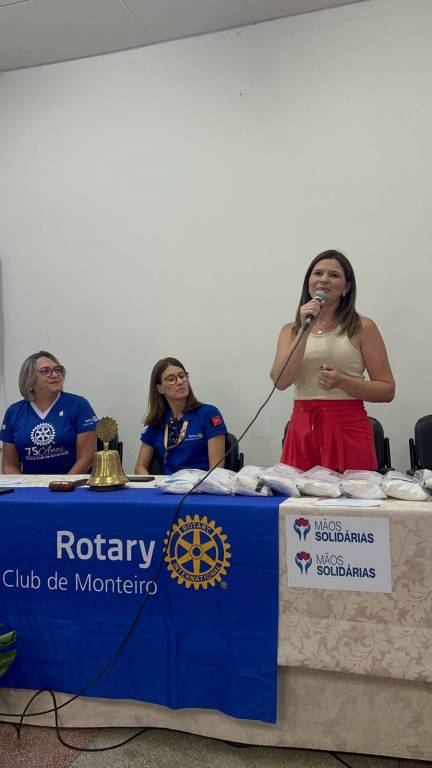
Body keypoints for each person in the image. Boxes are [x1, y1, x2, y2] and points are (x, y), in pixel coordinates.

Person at [270, 250, 395, 472]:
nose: (324, 279)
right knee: (299, 493)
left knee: (350, 493)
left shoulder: (363, 327)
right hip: (302, 426)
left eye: (334, 275)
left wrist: (342, 381)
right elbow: (280, 382)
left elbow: (387, 390)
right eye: (318, 273)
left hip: (347, 425)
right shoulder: (291, 330)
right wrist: (304, 331)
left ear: (347, 287)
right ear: (309, 282)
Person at [1, 350, 97, 474]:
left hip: (72, 482)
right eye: (45, 371)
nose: (55, 375)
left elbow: (87, 458)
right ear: (29, 378)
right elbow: (9, 466)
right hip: (30, 484)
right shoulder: (14, 412)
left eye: (58, 370)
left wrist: (64, 483)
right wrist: (25, 485)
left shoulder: (78, 405)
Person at [135, 357, 227, 475]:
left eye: (182, 376)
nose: (180, 382)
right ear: (160, 388)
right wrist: (152, 483)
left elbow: (216, 470)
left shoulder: (208, 414)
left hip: (200, 484)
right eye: (171, 379)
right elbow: (140, 466)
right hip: (167, 484)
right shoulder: (157, 421)